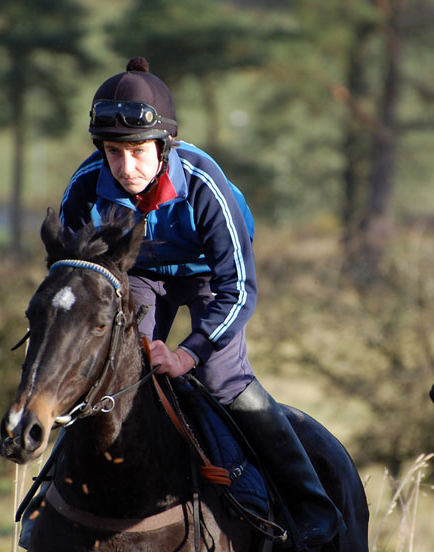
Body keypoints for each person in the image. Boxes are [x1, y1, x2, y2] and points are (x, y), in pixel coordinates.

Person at [52, 57, 345, 549]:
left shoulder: (205, 183)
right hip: (138, 276)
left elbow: (240, 291)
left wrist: (188, 353)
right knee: (108, 372)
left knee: (219, 378)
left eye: (139, 152)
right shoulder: (84, 187)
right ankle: (50, 502)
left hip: (210, 277)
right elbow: (76, 280)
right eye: (112, 152)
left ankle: (309, 499)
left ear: (164, 145)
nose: (126, 169)